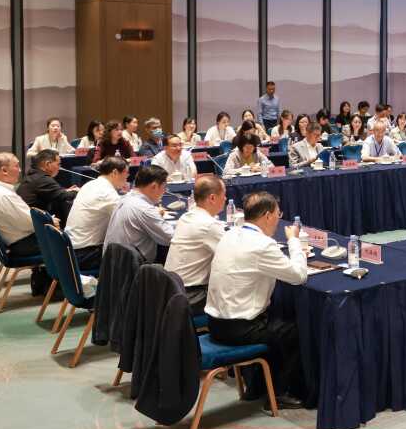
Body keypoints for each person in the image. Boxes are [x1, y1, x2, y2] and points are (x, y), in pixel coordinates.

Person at [205, 191, 307, 404]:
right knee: (293, 332)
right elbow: (299, 276)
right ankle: (278, 394)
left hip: (214, 323)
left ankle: (258, 388)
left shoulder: (230, 233)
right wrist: (294, 241)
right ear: (268, 215)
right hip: (239, 329)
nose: (279, 219)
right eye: (278, 214)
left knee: (275, 321)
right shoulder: (263, 245)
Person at [0, 153, 50, 293]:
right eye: (16, 166)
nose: (20, 170)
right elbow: (32, 224)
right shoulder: (3, 195)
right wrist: (50, 221)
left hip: (13, 241)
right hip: (23, 244)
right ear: (4, 170)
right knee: (73, 241)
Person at [164, 175, 227, 314]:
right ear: (212, 198)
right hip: (190, 296)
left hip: (170, 290)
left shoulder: (186, 216)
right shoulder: (208, 225)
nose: (225, 199)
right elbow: (232, 254)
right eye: (224, 194)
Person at [64, 156, 127, 271]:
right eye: (126, 173)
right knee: (131, 257)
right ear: (114, 172)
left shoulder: (90, 184)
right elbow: (129, 217)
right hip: (84, 254)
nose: (127, 178)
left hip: (70, 249)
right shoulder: (107, 193)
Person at [103, 165, 172, 263]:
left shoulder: (124, 198)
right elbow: (171, 238)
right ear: (154, 186)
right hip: (133, 267)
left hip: (112, 264)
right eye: (164, 186)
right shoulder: (144, 209)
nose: (164, 191)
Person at [18, 149, 78, 224]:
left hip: (25, 218)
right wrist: (79, 191)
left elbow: (56, 192)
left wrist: (65, 191)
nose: (59, 168)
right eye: (58, 164)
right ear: (47, 164)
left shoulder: (34, 174)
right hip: (31, 222)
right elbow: (65, 196)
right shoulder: (43, 179)